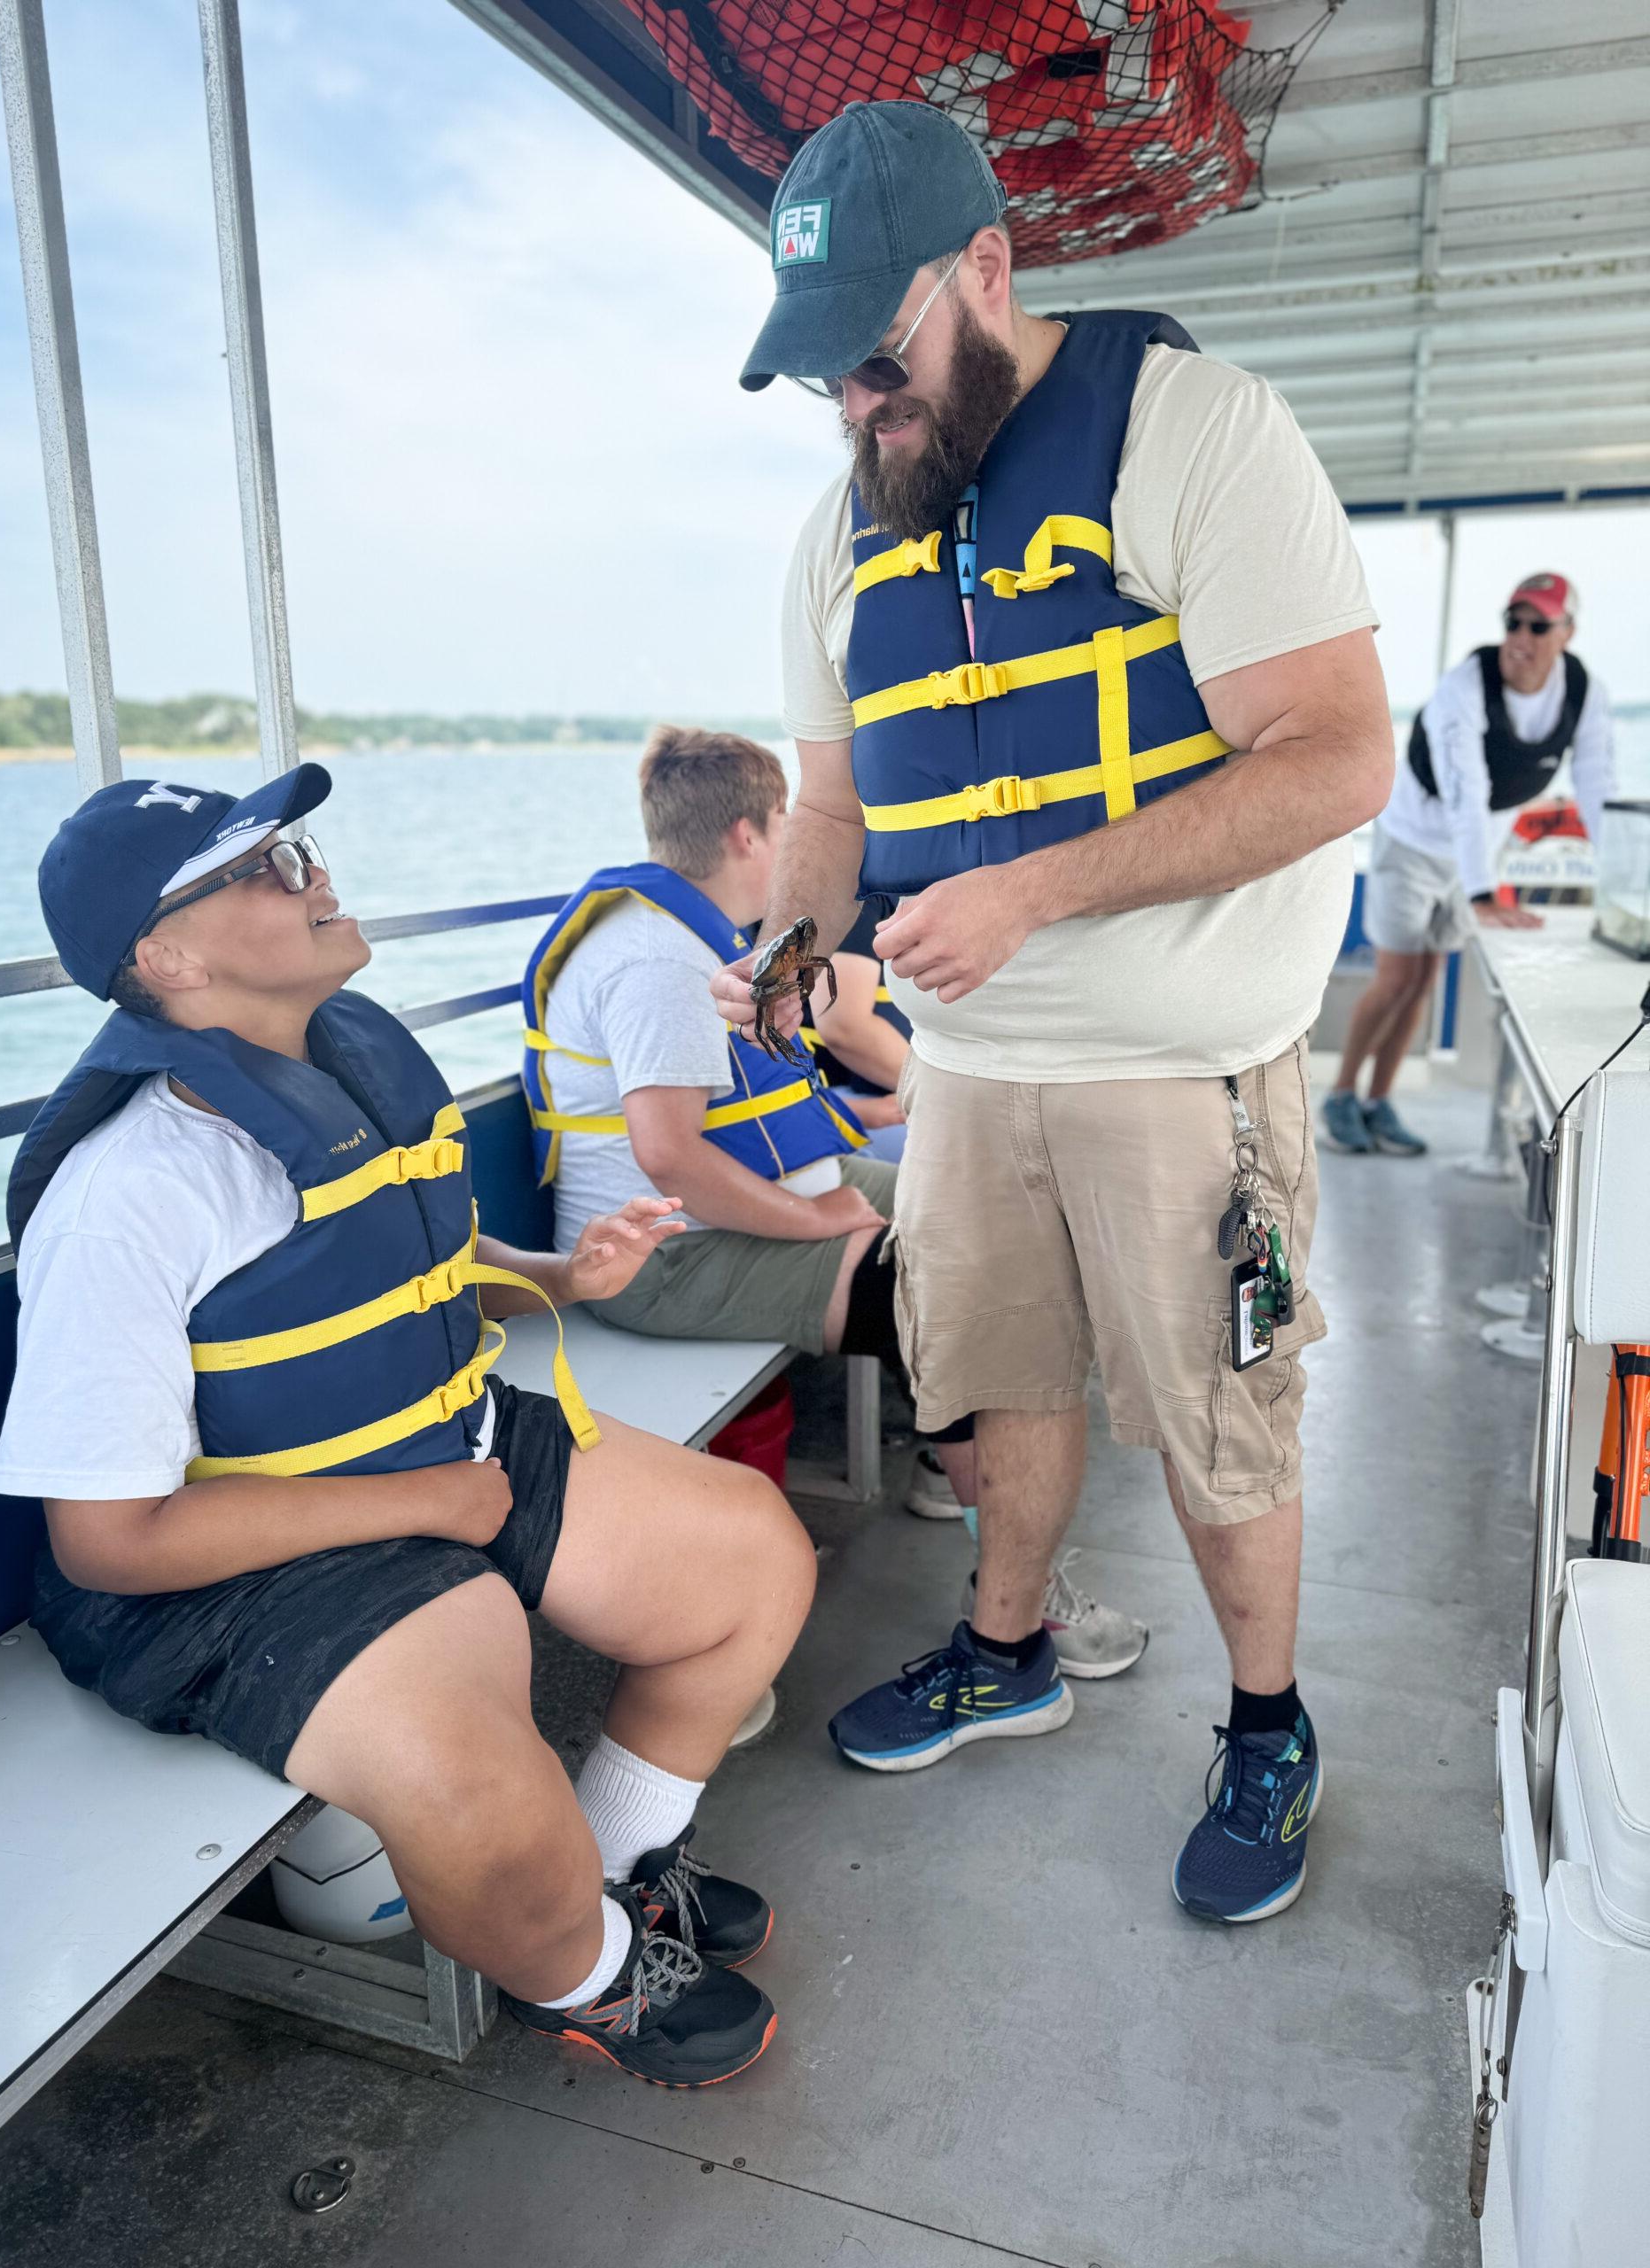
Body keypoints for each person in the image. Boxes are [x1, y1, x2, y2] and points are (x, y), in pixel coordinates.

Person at [719, 99, 1393, 1922]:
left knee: (1216, 1416)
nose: (861, 411)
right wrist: (793, 944)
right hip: (968, 1075)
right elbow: (835, 809)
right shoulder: (838, 527)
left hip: (1180, 1067)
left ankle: (1268, 1719)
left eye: (879, 360)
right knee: (992, 1378)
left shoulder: (1201, 434)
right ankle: (1004, 1646)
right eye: (825, 381)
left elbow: (1337, 758)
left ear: (991, 273)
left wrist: (1034, 891)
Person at [0, 765, 820, 2087]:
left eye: (298, 846)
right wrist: (426, 1507)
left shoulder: (350, 1063)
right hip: (226, 1565)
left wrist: (562, 1279)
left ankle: (603, 1872)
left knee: (750, 1560)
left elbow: (394, 1248)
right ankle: (592, 1976)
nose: (310, 872)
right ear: (166, 957)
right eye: (261, 867)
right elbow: (106, 1540)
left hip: (440, 1445)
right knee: (485, 1796)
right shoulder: (132, 1188)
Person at [524, 724, 1148, 1669]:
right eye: (789, 821)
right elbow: (670, 1159)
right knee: (948, 1292)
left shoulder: (717, 943)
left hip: (756, 1198)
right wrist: (815, 1219)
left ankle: (956, 1471)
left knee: (995, 1223)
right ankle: (1014, 1593)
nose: (798, 841)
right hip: (668, 1256)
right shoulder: (657, 959)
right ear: (747, 834)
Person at [1327, 572, 1616, 1156]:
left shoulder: (1582, 692)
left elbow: (1596, 784)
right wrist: (1486, 895)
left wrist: (1619, 883)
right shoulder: (1466, 685)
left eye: (1539, 625)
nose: (1522, 636)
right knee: (1395, 978)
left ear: (1567, 633)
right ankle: (1340, 1095)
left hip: (1473, 851)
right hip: (1412, 839)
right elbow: (1467, 789)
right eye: (1514, 621)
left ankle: (1380, 1103)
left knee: (1426, 982)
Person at [802, 892, 910, 1163]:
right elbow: (845, 1028)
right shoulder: (860, 892)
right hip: (850, 1103)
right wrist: (945, 1090)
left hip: (897, 1098)